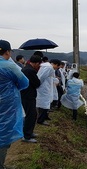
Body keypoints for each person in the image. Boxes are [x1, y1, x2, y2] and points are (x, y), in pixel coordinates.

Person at [0, 40, 29, 168]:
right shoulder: (9, 66)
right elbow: (24, 82)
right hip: (6, 106)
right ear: (8, 52)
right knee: (3, 136)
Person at [21, 55, 42, 143]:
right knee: (31, 115)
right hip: (28, 96)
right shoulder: (30, 71)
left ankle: (29, 132)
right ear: (36, 63)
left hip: (25, 94)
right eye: (39, 64)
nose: (39, 66)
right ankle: (27, 136)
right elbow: (37, 83)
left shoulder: (25, 69)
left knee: (31, 114)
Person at [36, 59, 61, 125]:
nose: (57, 68)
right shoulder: (49, 68)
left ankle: (44, 117)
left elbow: (48, 77)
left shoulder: (47, 67)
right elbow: (42, 77)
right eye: (57, 66)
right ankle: (41, 120)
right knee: (44, 104)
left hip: (44, 87)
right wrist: (38, 84)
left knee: (44, 103)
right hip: (44, 88)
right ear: (55, 64)